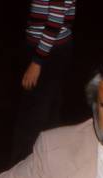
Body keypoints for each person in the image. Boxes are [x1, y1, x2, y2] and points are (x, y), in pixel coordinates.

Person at [11, 0, 76, 164]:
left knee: (34, 116)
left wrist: (37, 62)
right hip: (49, 50)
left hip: (48, 53)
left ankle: (26, 167)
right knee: (47, 113)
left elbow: (55, 20)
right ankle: (48, 164)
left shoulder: (42, 58)